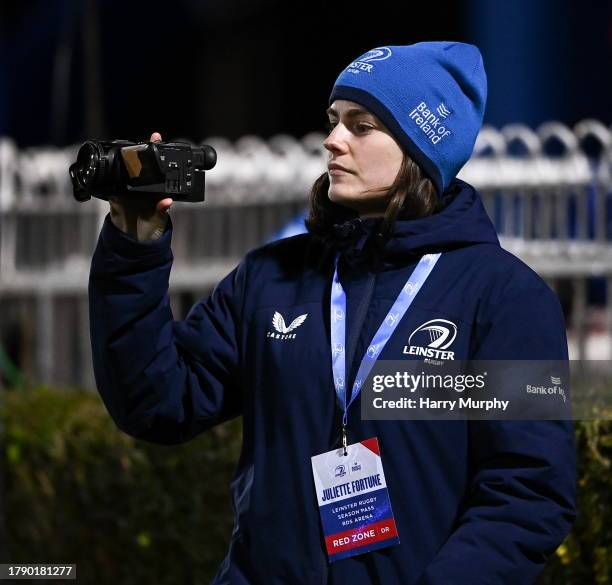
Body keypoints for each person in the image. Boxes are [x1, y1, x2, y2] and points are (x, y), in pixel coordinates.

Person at [89, 42, 576, 584]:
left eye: (362, 125)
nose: (332, 140)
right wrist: (136, 243)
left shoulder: (506, 296)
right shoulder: (272, 275)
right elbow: (158, 401)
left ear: (421, 145)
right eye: (334, 120)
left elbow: (529, 492)